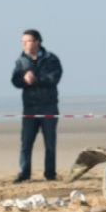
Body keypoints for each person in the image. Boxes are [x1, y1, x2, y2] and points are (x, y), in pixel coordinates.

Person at [11, 29, 63, 182]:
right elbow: (15, 81)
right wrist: (23, 79)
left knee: (50, 143)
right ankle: (24, 173)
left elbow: (54, 77)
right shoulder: (21, 61)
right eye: (23, 41)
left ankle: (50, 174)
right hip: (29, 107)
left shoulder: (51, 59)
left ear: (37, 42)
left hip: (49, 106)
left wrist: (36, 79)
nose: (25, 44)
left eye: (28, 41)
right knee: (26, 142)